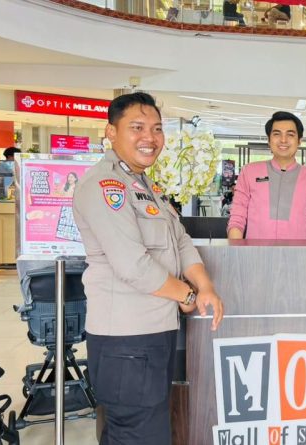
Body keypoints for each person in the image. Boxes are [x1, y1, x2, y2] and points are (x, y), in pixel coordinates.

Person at [73, 92, 224, 445]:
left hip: (152, 334)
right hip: (126, 338)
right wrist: (187, 295)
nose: (150, 137)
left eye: (157, 129)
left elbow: (180, 240)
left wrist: (204, 286)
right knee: (139, 434)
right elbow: (133, 265)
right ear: (111, 132)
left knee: (143, 431)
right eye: (137, 127)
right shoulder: (104, 185)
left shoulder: (144, 185)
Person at [228, 111, 306, 240]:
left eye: (290, 134)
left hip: (300, 252)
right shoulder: (249, 172)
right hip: (256, 251)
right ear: (269, 140)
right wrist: (236, 249)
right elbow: (237, 219)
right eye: (277, 134)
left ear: (299, 141)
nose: (283, 140)